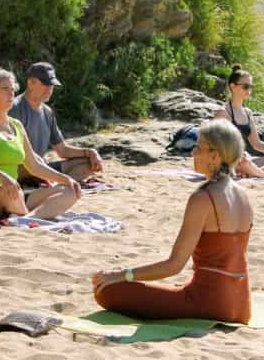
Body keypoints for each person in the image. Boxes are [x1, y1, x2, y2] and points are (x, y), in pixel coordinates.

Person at [92, 119, 253, 324]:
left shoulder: (203, 198)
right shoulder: (244, 196)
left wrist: (122, 275)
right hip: (242, 305)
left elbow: (174, 266)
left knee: (107, 290)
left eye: (198, 147)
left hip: (211, 303)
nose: (193, 153)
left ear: (214, 155)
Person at [0, 67, 82, 219]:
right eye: (5, 89)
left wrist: (66, 179)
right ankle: (26, 217)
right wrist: (4, 178)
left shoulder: (17, 126)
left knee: (70, 190)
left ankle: (26, 220)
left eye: (12, 89)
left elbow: (35, 166)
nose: (11, 93)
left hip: (14, 192)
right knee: (10, 191)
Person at [9, 62, 103, 184]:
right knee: (34, 165)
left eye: (52, 85)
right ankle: (56, 184)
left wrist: (90, 152)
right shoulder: (14, 108)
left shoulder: (48, 112)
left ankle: (58, 185)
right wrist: (39, 165)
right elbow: (12, 152)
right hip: (21, 170)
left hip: (42, 168)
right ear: (30, 83)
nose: (49, 89)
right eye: (45, 84)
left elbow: (62, 150)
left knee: (87, 163)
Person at [213, 65, 264, 178]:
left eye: (250, 86)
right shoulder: (223, 113)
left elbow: (257, 144)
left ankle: (251, 174)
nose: (249, 90)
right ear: (233, 86)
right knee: (244, 161)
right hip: (227, 162)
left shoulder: (247, 112)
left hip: (245, 160)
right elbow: (216, 146)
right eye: (245, 86)